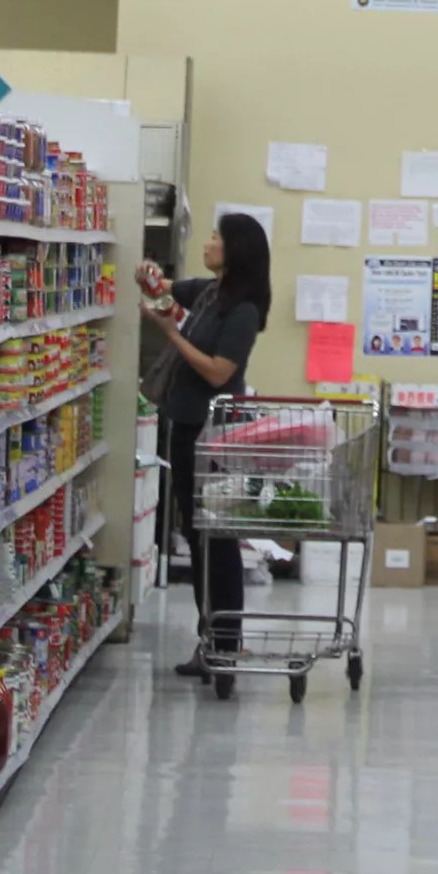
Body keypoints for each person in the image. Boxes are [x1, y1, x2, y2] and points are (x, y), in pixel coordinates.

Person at [138, 214, 271, 685]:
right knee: (198, 539)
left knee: (218, 539)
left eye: (216, 237)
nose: (208, 243)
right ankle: (211, 638)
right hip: (187, 426)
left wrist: (171, 333)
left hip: (213, 435)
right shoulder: (211, 292)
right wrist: (148, 275)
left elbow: (218, 371)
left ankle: (226, 641)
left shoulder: (243, 310)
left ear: (235, 249)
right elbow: (167, 287)